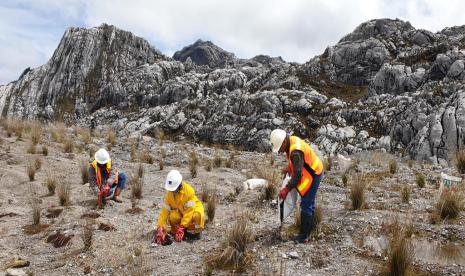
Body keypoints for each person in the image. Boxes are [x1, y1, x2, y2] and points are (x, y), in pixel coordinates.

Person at [270, 129, 324, 243]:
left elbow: (298, 175)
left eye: (280, 148)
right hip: (313, 170)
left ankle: (304, 236)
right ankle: (311, 227)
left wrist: (286, 189)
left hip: (314, 174)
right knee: (309, 203)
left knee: (306, 204)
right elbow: (295, 165)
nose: (280, 151)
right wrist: (288, 169)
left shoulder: (295, 152)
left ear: (284, 141)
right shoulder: (291, 141)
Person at [156, 170, 205, 244]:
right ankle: (180, 232)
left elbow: (189, 211)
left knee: (196, 216)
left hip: (193, 210)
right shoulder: (170, 193)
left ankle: (195, 233)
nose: (172, 191)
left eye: (174, 189)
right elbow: (165, 211)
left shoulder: (189, 192)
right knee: (173, 216)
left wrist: (182, 226)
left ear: (179, 185)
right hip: (181, 211)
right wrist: (160, 227)